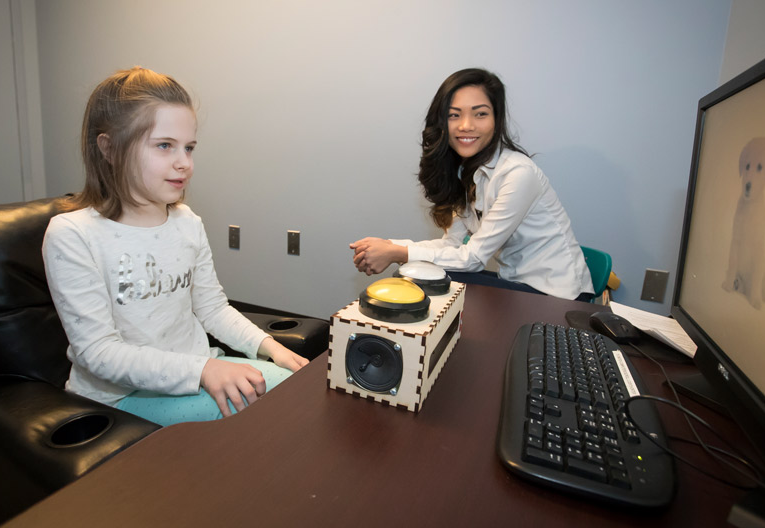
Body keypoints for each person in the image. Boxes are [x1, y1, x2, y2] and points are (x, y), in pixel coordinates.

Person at [42, 67, 308, 426]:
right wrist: (203, 370)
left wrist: (270, 348)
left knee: (293, 388)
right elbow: (98, 352)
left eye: (189, 147)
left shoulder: (186, 223)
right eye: (165, 145)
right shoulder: (73, 235)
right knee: (271, 412)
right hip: (120, 397)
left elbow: (212, 309)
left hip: (198, 369)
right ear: (110, 148)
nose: (184, 162)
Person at [350, 68, 594, 302]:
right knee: (420, 272)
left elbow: (473, 258)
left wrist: (397, 253)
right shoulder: (463, 172)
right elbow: (451, 246)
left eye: (480, 114)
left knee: (427, 278)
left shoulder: (518, 174)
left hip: (559, 297)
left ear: (497, 120)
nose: (466, 125)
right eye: (454, 115)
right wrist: (390, 246)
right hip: (518, 286)